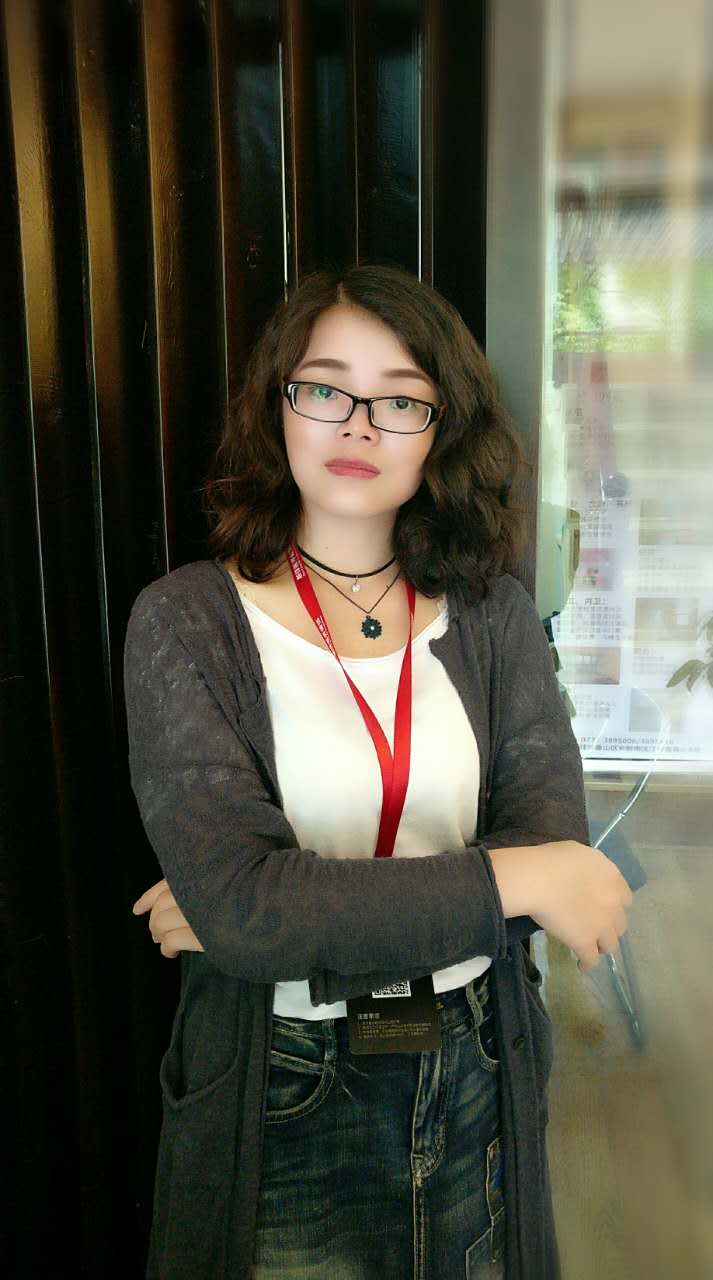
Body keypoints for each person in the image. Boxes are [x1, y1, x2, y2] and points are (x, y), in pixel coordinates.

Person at [124, 263, 633, 1280]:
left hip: (475, 1057)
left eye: (400, 400)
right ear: (277, 406)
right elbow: (259, 908)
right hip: (284, 1083)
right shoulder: (184, 621)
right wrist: (515, 881)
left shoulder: (491, 614)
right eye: (325, 388)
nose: (358, 425)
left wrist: (269, 919)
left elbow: (547, 845)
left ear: (441, 429)